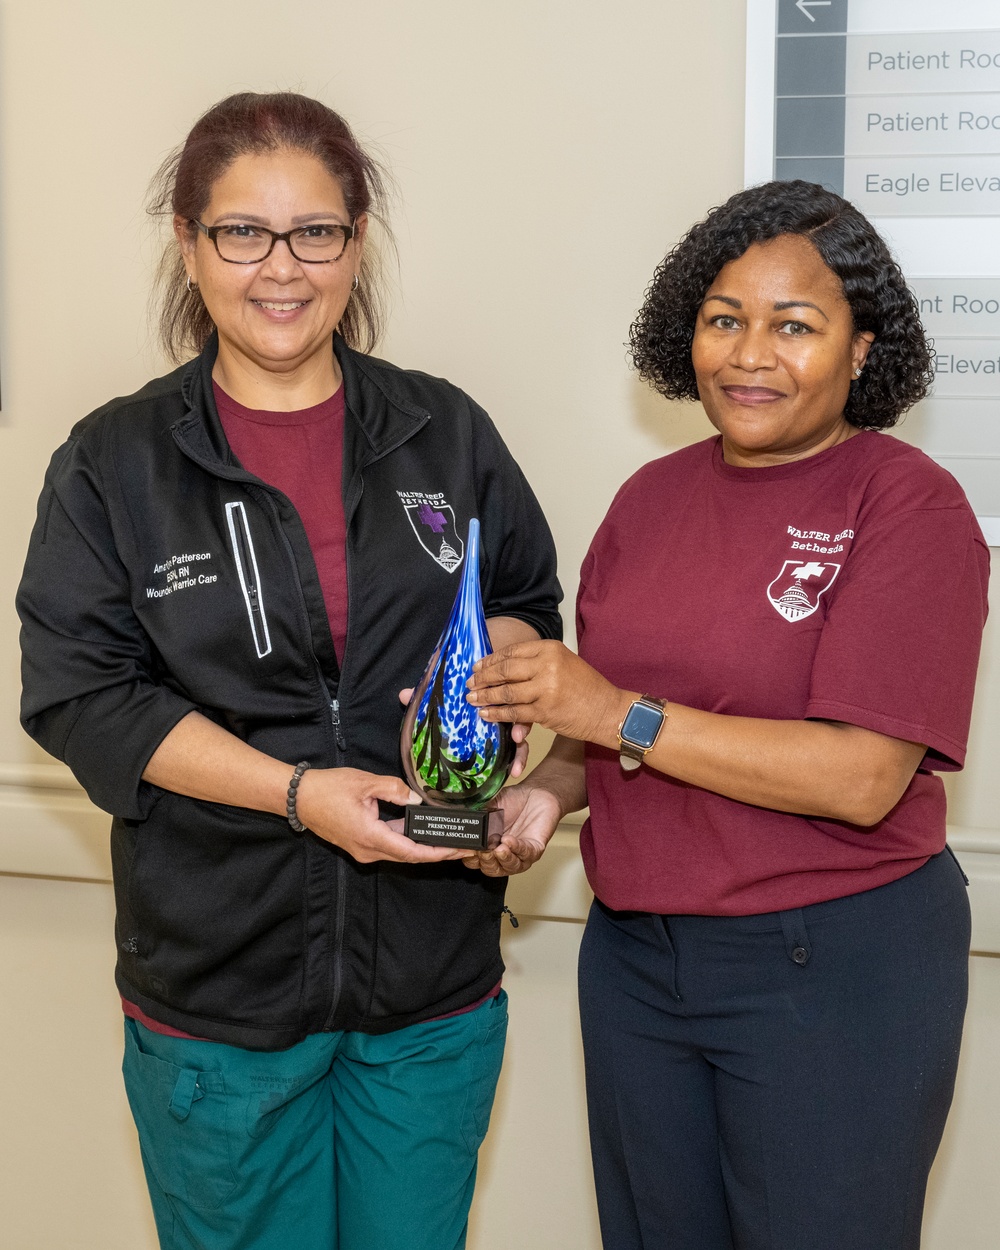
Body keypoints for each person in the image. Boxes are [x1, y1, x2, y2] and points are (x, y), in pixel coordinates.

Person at [17, 92, 561, 1250]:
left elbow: (522, 609)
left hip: (429, 988)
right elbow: (82, 693)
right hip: (221, 1004)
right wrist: (300, 793)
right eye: (242, 232)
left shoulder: (445, 431)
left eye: (316, 231)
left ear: (356, 243)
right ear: (188, 240)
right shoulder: (115, 461)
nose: (282, 267)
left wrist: (507, 715)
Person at [466, 180, 990, 1250]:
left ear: (859, 351)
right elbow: (599, 735)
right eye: (722, 320)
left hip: (834, 958)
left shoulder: (906, 502)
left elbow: (859, 777)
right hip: (637, 960)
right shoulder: (646, 500)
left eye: (794, 326)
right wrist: (541, 793)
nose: (749, 354)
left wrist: (614, 712)